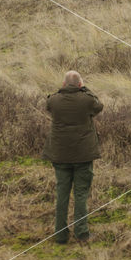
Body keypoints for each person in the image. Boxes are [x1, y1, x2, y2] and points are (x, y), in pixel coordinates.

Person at [43, 70, 103, 245]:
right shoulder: (87, 99)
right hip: (83, 155)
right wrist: (85, 89)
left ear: (63, 84)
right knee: (81, 194)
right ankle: (81, 233)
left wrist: (64, 90)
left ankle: (60, 235)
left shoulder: (53, 100)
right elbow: (99, 106)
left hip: (60, 155)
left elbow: (49, 105)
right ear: (79, 84)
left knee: (62, 194)